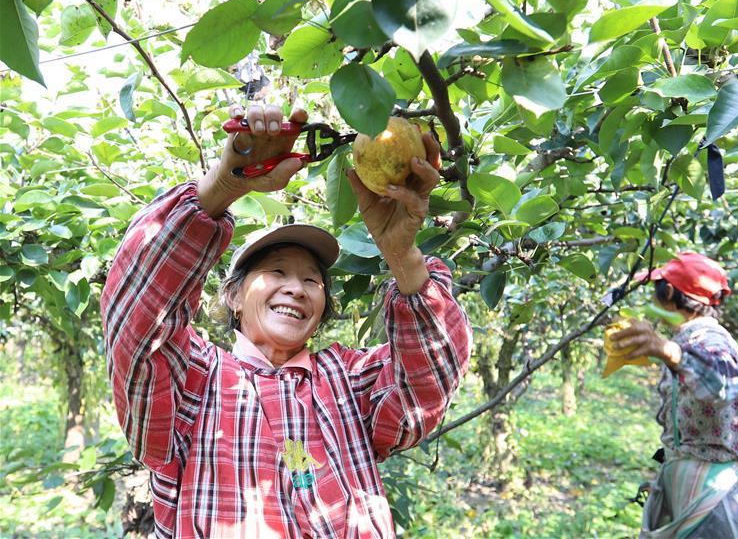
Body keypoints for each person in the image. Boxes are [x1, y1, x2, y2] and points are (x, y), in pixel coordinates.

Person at [101, 104, 472, 538]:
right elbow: (136, 322)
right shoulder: (194, 381)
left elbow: (429, 383)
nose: (296, 288)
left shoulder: (348, 381)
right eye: (276, 272)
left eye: (312, 280)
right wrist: (223, 184)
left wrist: (402, 255)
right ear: (234, 296)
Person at [610, 252, 738, 538]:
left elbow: (723, 384)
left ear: (668, 292)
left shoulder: (709, 338)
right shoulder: (688, 339)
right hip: (697, 487)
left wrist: (668, 352)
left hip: (717, 493)